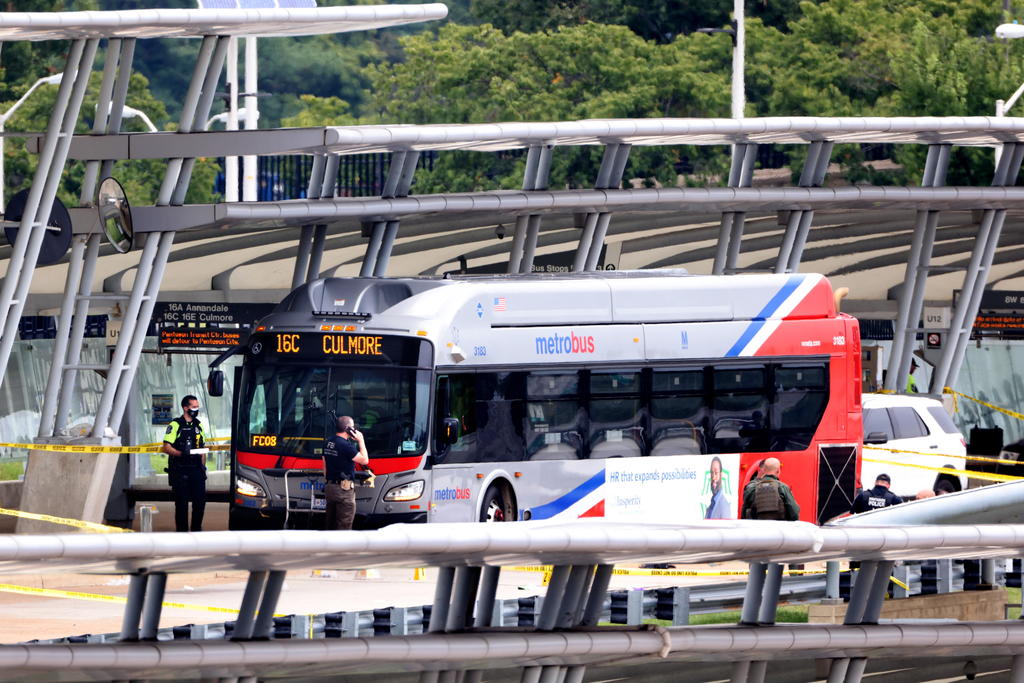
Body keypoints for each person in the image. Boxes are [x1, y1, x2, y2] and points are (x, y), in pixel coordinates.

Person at [162, 394, 206, 532]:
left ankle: (196, 532)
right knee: (182, 505)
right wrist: (181, 454)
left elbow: (202, 449)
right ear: (185, 408)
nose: (196, 409)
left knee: (200, 503)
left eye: (197, 406)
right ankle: (182, 534)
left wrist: (203, 468)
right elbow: (166, 447)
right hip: (180, 471)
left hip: (196, 470)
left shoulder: (198, 425)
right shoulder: (175, 425)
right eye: (193, 407)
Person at [322, 415, 369, 530]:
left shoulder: (328, 442)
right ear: (348, 429)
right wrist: (361, 440)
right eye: (353, 427)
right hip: (343, 490)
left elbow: (324, 467)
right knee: (344, 525)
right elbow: (365, 460)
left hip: (330, 487)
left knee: (331, 523)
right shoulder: (345, 445)